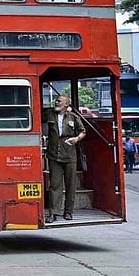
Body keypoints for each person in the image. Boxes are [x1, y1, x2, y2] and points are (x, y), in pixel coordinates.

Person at [43, 95, 86, 223]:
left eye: (59, 101)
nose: (56, 102)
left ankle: (68, 211)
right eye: (56, 100)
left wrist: (76, 139)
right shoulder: (50, 114)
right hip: (54, 155)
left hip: (69, 155)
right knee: (55, 185)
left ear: (66, 104)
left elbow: (83, 131)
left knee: (70, 185)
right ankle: (53, 212)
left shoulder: (73, 117)